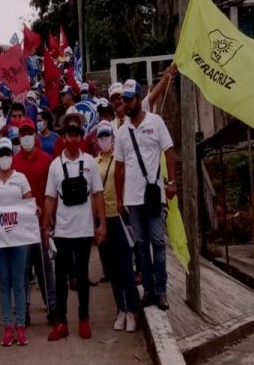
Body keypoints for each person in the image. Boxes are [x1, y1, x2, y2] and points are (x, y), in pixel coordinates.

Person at [114, 79, 176, 311]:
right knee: (141, 246)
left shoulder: (155, 122)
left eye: (129, 100)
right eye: (124, 100)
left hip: (153, 194)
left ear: (139, 99)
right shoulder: (122, 132)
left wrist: (172, 182)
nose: (126, 104)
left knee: (158, 243)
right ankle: (148, 291)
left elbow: (169, 151)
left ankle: (161, 291)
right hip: (132, 197)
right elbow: (118, 169)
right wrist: (120, 199)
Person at [42, 118, 106, 341]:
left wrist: (101, 223)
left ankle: (84, 319)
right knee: (61, 277)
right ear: (63, 137)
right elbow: (49, 198)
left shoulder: (89, 162)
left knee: (82, 276)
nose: (73, 138)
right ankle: (61, 321)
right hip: (62, 231)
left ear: (80, 137)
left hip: (84, 230)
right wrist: (45, 226)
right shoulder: (55, 166)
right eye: (69, 135)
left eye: (77, 134)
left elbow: (98, 194)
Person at [0, 137, 34, 346]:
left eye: (7, 154)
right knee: (4, 282)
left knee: (18, 282)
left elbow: (29, 203)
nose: (5, 158)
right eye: (1, 154)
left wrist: (34, 209)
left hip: (19, 237)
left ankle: (20, 326)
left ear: (12, 156)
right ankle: (7, 327)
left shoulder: (21, 178)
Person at [12, 118, 57, 325]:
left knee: (45, 267)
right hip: (21, 225)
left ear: (35, 134)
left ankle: (53, 305)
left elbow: (53, 193)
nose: (27, 136)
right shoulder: (13, 162)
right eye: (23, 133)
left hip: (41, 224)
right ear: (19, 137)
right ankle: (24, 308)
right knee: (22, 269)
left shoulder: (47, 160)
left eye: (30, 132)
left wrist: (51, 220)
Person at [95, 121, 137, 332]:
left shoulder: (120, 159)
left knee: (126, 266)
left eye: (107, 136)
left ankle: (131, 310)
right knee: (112, 268)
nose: (104, 140)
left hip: (120, 217)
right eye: (100, 137)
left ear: (113, 138)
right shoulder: (94, 163)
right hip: (104, 219)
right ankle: (120, 309)